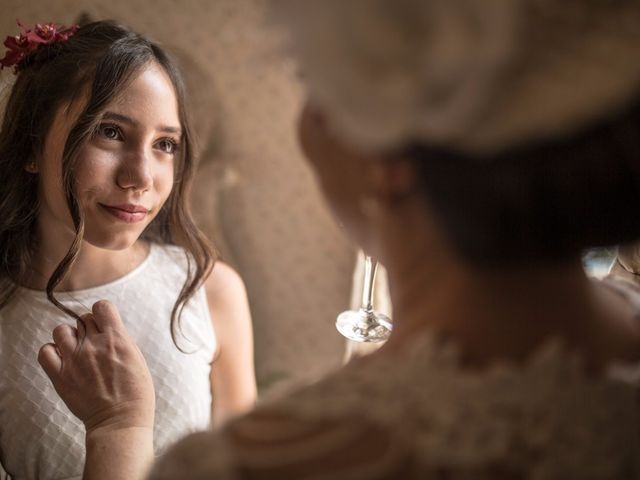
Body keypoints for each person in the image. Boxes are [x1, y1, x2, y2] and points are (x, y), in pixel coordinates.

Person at [39, 1, 640, 479]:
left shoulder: (260, 464)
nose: (142, 175)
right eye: (110, 133)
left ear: (388, 152)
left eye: (314, 87)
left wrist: (119, 432)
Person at [0, 20, 256, 479]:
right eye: (110, 132)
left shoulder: (211, 291)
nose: (140, 176)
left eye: (164, 144)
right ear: (33, 144)